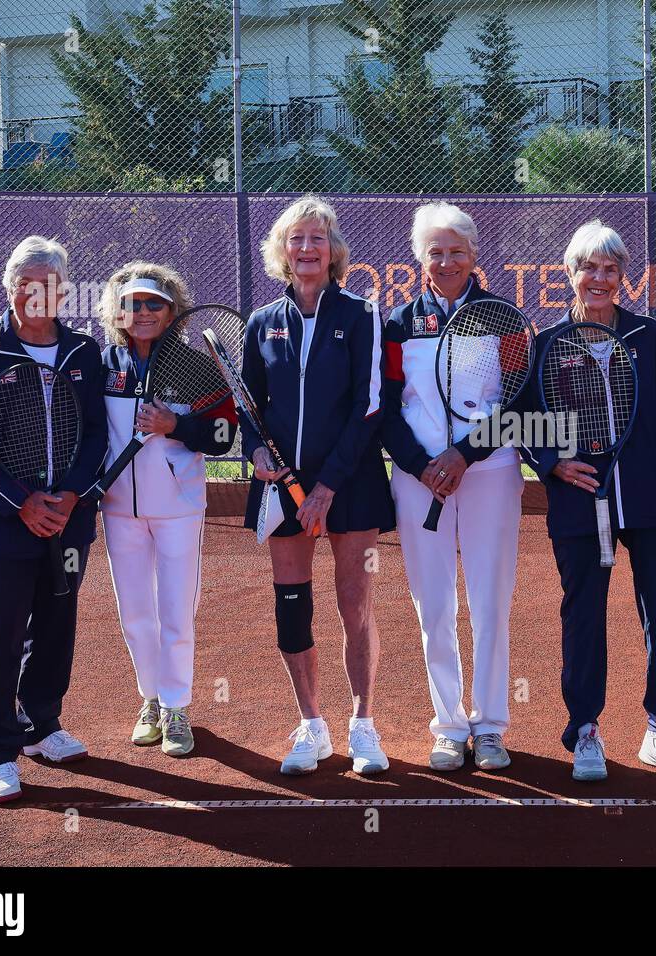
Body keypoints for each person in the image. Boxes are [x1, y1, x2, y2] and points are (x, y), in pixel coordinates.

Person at [518, 220, 656, 782]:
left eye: (610, 268)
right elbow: (523, 420)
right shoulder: (543, 345)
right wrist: (550, 464)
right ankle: (586, 731)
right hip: (578, 502)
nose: (599, 277)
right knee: (584, 616)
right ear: (569, 274)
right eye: (588, 267)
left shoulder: (651, 338)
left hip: (650, 501)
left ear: (624, 276)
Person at [0, 235, 108, 803]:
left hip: (70, 519)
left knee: (56, 624)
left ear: (63, 291)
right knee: (0, 632)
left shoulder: (84, 353)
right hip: (4, 521)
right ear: (10, 287)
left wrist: (69, 496)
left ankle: (41, 724)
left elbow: (96, 433)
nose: (36, 293)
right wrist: (22, 501)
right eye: (26, 283)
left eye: (48, 284)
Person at [244, 195, 396, 776]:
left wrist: (330, 484)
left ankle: (363, 723)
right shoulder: (261, 323)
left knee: (354, 604)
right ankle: (311, 724)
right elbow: (250, 409)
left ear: (334, 252)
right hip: (281, 487)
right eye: (296, 239)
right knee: (293, 606)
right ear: (282, 252)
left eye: (317, 238)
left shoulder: (360, 314)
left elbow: (371, 404)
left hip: (351, 483)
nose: (307, 248)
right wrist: (255, 452)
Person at [381, 203, 521, 772]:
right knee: (433, 605)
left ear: (474, 255)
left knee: (490, 601)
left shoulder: (504, 317)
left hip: (489, 474)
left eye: (456, 251)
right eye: (435, 252)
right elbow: (386, 409)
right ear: (419, 258)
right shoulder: (397, 323)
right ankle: (448, 724)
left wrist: (464, 455)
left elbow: (518, 401)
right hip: (419, 481)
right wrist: (422, 465)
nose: (446, 261)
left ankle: (489, 727)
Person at [97, 263, 237, 758]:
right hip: (118, 509)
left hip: (179, 508)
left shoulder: (196, 367)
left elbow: (223, 436)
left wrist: (175, 424)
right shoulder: (102, 362)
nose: (142, 312)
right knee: (135, 614)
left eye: (153, 303)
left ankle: (177, 707)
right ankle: (151, 701)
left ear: (172, 310)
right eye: (132, 303)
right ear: (117, 311)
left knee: (176, 611)